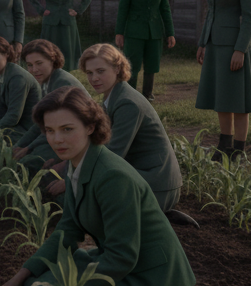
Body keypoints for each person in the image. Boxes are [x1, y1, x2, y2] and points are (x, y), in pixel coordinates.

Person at [0, 87, 202, 286]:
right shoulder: (77, 164)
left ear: (91, 127)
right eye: (50, 130)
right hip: (121, 266)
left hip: (151, 282)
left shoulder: (112, 177)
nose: (57, 139)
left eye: (67, 129)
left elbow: (122, 255)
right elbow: (67, 231)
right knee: (36, 285)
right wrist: (20, 276)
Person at [76, 43, 192, 226]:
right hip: (143, 175)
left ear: (117, 68)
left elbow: (112, 154)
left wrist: (75, 175)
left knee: (86, 196)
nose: (94, 78)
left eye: (100, 71)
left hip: (157, 184)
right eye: (89, 73)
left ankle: (154, 216)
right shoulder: (112, 96)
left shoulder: (127, 103)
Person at [196, 0, 251, 160]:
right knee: (222, 98)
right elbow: (211, 12)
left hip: (235, 48)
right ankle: (224, 146)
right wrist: (203, 43)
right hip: (215, 45)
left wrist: (240, 49)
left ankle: (239, 152)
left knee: (239, 101)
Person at [12, 39, 87, 173]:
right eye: (29, 65)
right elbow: (41, 123)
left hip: (76, 139)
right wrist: (20, 145)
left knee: (30, 163)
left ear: (52, 60)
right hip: (60, 133)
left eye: (39, 63)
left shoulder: (61, 82)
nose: (34, 69)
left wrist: (28, 148)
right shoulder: (46, 82)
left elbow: (54, 125)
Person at [115, 0, 176, 100]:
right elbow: (123, 10)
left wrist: (170, 33)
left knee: (152, 64)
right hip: (134, 31)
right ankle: (130, 94)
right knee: (132, 64)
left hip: (154, 32)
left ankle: (147, 94)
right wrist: (119, 32)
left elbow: (165, 10)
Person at [28, 0, 91, 70]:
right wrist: (42, 11)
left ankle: (67, 74)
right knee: (49, 51)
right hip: (50, 22)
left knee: (67, 51)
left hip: (67, 22)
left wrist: (77, 11)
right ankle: (49, 72)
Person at [0, 36, 39, 141]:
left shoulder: (17, 77)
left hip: (28, 130)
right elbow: (0, 107)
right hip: (16, 125)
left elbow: (13, 116)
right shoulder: (2, 73)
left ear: (6, 54)